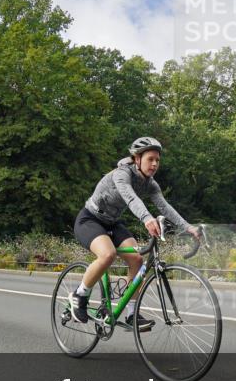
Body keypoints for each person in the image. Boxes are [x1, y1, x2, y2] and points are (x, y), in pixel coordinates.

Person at [71, 137, 200, 330]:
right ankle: (79, 295)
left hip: (113, 223)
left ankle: (132, 313)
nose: (155, 164)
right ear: (137, 159)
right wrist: (147, 219)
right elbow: (131, 198)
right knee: (107, 254)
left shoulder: (151, 184)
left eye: (157, 159)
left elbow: (165, 207)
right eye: (150, 159)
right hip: (90, 219)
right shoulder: (121, 174)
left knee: (137, 260)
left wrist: (188, 227)